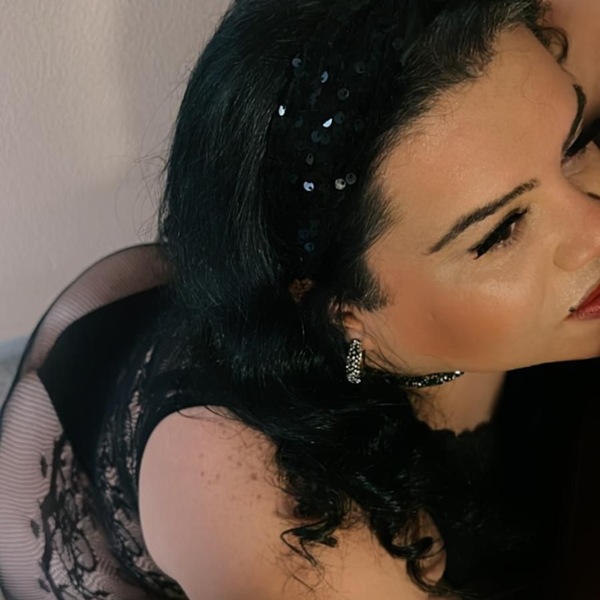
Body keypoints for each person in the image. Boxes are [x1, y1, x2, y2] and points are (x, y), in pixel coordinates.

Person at [1, 1, 600, 599]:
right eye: (501, 232)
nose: (593, 229)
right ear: (350, 316)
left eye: (573, 145)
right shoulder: (297, 541)